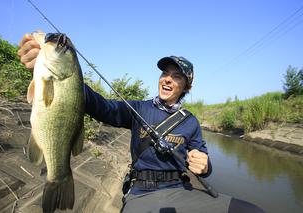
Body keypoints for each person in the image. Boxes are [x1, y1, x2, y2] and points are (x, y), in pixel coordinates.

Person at [18, 33, 264, 213]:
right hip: (141, 193)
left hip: (182, 190)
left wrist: (205, 165)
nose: (167, 79)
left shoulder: (190, 122)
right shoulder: (138, 108)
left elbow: (203, 160)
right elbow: (101, 106)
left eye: (176, 76)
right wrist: (63, 77)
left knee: (252, 210)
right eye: (164, 73)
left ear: (186, 86)